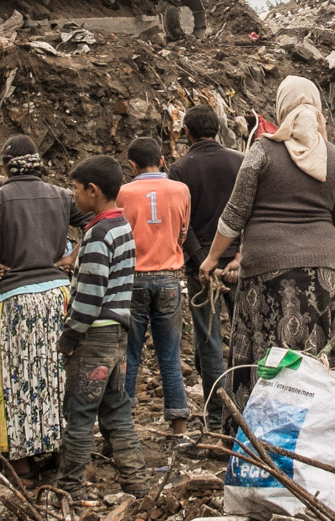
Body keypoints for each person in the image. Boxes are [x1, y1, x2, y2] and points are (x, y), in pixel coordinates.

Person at [198, 76, 335, 406]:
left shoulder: (263, 151)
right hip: (323, 271)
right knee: (319, 353)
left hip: (266, 271)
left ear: (282, 107)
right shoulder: (334, 157)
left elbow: (234, 213)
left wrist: (211, 259)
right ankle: (319, 432)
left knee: (267, 352)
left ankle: (260, 435)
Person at [0, 135, 91, 474]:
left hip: (14, 302)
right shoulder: (60, 196)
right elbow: (93, 223)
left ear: (5, 166)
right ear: (38, 163)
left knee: (16, 379)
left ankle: (24, 462)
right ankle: (60, 454)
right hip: (58, 298)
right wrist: (73, 256)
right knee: (58, 378)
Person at [58, 156, 150, 501]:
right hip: (117, 335)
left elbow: (90, 296)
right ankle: (137, 484)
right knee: (116, 412)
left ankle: (69, 488)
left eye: (76, 189)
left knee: (80, 414)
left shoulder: (98, 234)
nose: (73, 194)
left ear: (92, 191)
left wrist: (69, 337)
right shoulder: (122, 226)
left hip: (94, 335)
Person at [167, 105, 242, 434]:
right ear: (218, 129)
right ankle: (246, 409)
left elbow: (181, 224)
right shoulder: (240, 162)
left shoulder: (179, 169)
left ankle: (216, 419)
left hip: (201, 269)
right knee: (246, 337)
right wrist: (239, 256)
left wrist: (202, 261)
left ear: (186, 133)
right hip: (240, 265)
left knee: (208, 341)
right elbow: (249, 214)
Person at [117, 137, 194, 450]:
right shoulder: (181, 189)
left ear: (132, 165)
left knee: (130, 356)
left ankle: (123, 430)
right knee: (170, 356)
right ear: (162, 161)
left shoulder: (124, 192)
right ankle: (180, 431)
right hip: (168, 279)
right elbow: (183, 233)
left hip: (133, 279)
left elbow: (120, 235)